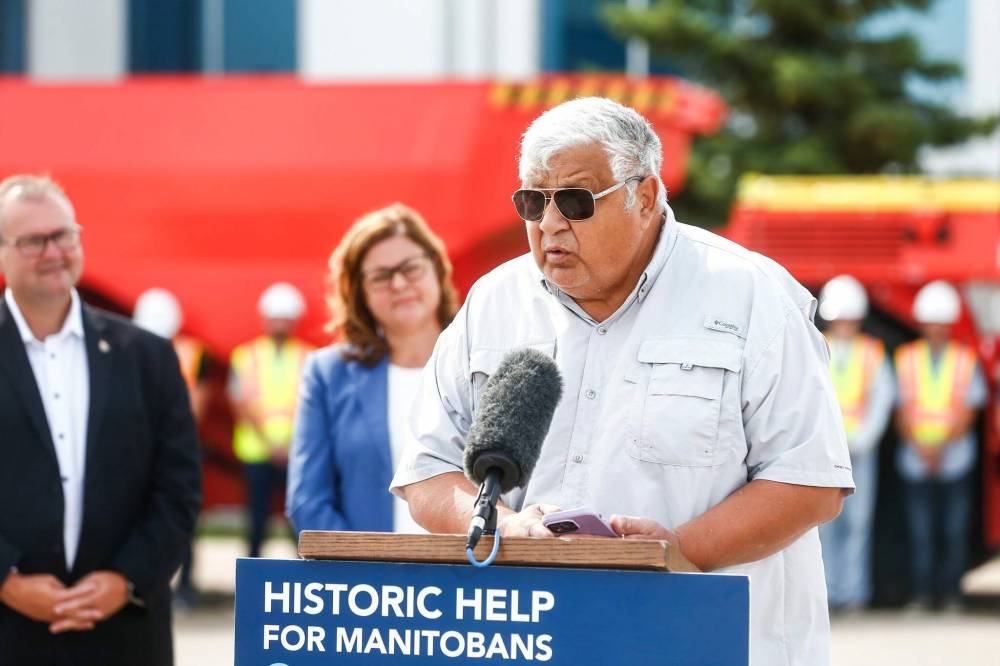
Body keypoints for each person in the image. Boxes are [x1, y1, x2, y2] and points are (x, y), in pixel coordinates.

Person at [390, 98, 852, 665]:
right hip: (543, 642)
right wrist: (504, 527)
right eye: (533, 202)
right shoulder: (493, 302)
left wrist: (677, 551)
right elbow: (428, 472)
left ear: (645, 196)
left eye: (576, 201)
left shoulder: (751, 296)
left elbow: (810, 481)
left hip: (712, 644)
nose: (549, 224)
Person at [0, 174, 201, 665]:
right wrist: (6, 581)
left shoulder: (148, 356)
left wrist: (126, 579)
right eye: (33, 241)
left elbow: (178, 487)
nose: (54, 252)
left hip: (124, 634)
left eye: (63, 235)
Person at [286, 203, 459, 534]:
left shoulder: (485, 360)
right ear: (359, 293)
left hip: (474, 566)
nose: (399, 284)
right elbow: (308, 502)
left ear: (437, 268)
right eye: (381, 276)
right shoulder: (328, 374)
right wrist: (360, 561)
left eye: (411, 268)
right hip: (365, 567)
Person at [894, 280, 985, 610]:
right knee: (921, 533)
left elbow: (969, 411)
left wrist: (938, 448)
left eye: (941, 323)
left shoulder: (964, 360)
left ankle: (951, 595)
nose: (935, 329)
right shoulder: (908, 358)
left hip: (953, 459)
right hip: (917, 458)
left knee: (953, 531)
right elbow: (900, 410)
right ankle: (923, 595)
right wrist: (923, 448)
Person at [816, 275, 895, 611]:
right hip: (825, 452)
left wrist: (863, 439)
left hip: (860, 452)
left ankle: (854, 594)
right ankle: (828, 592)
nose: (845, 325)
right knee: (824, 525)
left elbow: (882, 399)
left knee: (858, 524)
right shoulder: (817, 346)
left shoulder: (871, 353)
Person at [133, 287, 212, 608]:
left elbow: (197, 407)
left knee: (179, 517)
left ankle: (184, 586)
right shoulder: (127, 349)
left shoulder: (192, 353)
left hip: (176, 450)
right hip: (139, 451)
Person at [229, 282, 311, 557]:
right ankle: (252, 573)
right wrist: (271, 444)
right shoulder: (245, 356)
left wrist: (289, 445)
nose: (280, 325)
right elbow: (239, 402)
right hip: (257, 451)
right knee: (256, 519)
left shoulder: (309, 356)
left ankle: (307, 571)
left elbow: (314, 408)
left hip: (296, 453)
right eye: (276, 318)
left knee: (299, 521)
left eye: (285, 319)